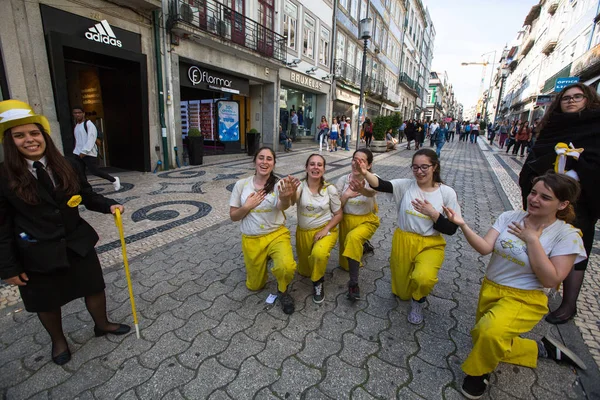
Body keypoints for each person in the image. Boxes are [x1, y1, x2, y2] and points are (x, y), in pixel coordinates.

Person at [0, 100, 130, 366]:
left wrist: (109, 205)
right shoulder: (3, 176)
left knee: (94, 287)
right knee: (47, 301)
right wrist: (8, 268)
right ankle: (58, 341)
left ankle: (102, 324)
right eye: (20, 135)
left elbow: (87, 196)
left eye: (34, 133)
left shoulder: (68, 164)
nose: (30, 140)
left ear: (44, 135)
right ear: (9, 141)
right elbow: (1, 226)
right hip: (35, 251)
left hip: (76, 242)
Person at [444, 173, 587, 399]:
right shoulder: (510, 216)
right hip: (491, 288)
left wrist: (532, 240)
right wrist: (462, 224)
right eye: (533, 193)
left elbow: (551, 279)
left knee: (488, 333)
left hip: (525, 298)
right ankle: (540, 349)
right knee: (482, 340)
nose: (534, 199)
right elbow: (484, 248)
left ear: (562, 204)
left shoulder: (567, 235)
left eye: (545, 197)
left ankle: (478, 373)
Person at [519, 83, 600, 325]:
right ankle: (536, 286)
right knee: (542, 240)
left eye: (577, 97)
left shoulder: (596, 127)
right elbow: (536, 157)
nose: (571, 101)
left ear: (588, 100)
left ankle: (568, 304)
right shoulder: (553, 126)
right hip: (549, 196)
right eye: (566, 98)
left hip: (581, 199)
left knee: (574, 248)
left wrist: (578, 166)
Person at [355, 148, 460, 324]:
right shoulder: (405, 185)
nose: (419, 171)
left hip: (430, 243)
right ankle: (409, 290)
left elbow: (451, 229)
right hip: (403, 240)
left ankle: (418, 301)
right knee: (402, 293)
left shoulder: (447, 193)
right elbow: (381, 184)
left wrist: (433, 213)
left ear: (435, 167)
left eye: (424, 167)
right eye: (415, 167)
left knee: (422, 279)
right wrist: (365, 173)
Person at [229, 147, 300, 314]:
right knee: (254, 286)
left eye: (269, 159)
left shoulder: (278, 184)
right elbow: (233, 216)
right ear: (255, 161)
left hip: (276, 234)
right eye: (261, 158)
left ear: (273, 163)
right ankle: (265, 260)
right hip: (252, 238)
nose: (264, 162)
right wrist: (247, 206)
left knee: (286, 267)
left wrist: (284, 197)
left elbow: (281, 206)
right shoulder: (241, 185)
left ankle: (283, 291)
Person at [294, 154, 343, 303]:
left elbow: (338, 214)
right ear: (306, 167)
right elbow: (291, 200)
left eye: (319, 165)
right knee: (305, 271)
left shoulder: (330, 189)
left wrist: (325, 229)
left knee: (318, 255)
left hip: (325, 230)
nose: (316, 167)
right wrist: (286, 193)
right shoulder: (299, 187)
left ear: (324, 169)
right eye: (312, 164)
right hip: (303, 233)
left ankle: (318, 283)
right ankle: (313, 272)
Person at [335, 149, 380, 301]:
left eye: (362, 160)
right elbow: (336, 208)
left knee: (353, 238)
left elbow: (373, 193)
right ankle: (363, 246)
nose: (357, 163)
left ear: (369, 165)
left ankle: (353, 284)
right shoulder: (342, 180)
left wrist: (362, 189)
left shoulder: (373, 179)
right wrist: (346, 195)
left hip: (366, 220)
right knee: (344, 263)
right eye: (355, 159)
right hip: (346, 220)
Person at [72, 106, 121, 191]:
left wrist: (85, 151)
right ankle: (86, 190)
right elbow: (78, 140)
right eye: (75, 113)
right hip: (78, 153)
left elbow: (91, 138)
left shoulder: (89, 124)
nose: (77, 115)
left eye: (79, 112)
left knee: (95, 171)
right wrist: (76, 151)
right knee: (80, 173)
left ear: (83, 113)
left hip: (88, 153)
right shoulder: (77, 126)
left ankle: (114, 179)